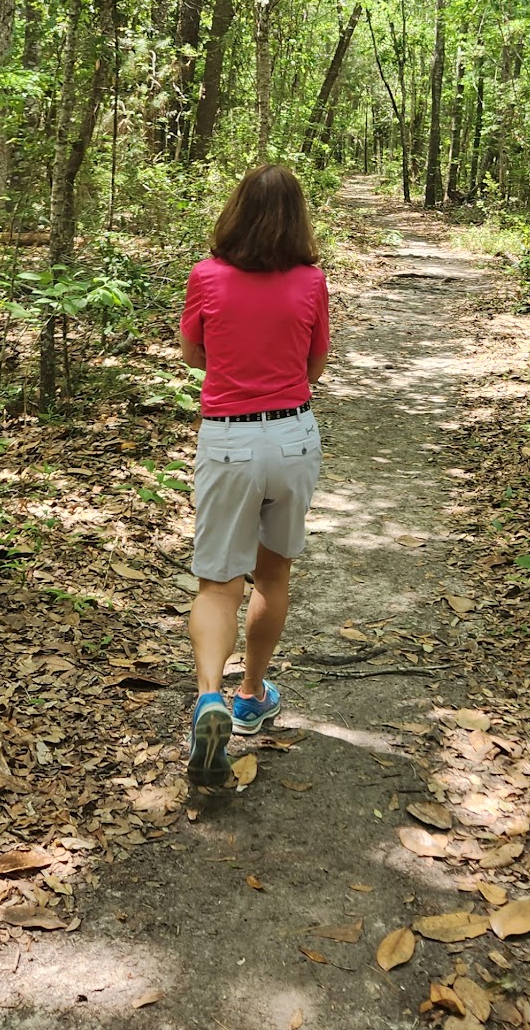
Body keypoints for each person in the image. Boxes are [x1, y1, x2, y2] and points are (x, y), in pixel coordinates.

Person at [178, 164, 329, 787]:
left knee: (219, 584)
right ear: (298, 219)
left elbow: (194, 355)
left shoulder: (206, 276)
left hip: (229, 438)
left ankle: (209, 695)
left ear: (235, 210)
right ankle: (252, 693)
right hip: (292, 436)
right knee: (273, 572)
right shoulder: (312, 281)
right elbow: (316, 364)